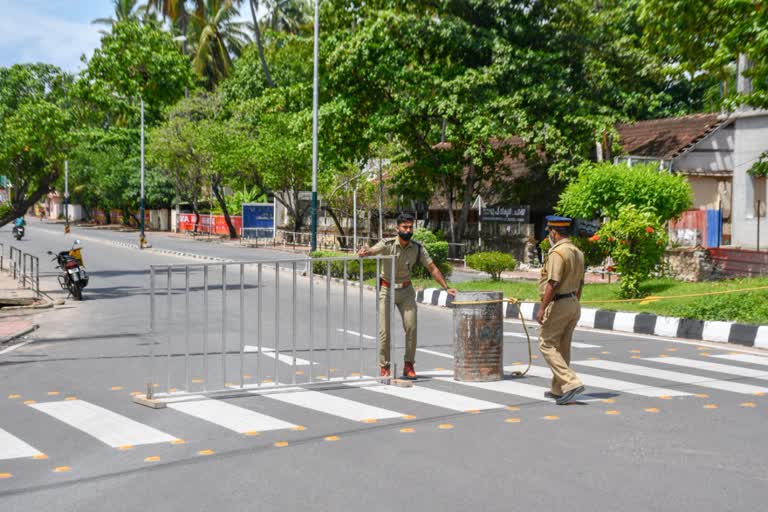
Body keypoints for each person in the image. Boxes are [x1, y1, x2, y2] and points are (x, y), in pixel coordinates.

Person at [359, 213, 457, 378]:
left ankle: (409, 365)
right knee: (385, 331)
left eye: (410, 227)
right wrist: (366, 251)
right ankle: (385, 366)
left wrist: (446, 287)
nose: (408, 230)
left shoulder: (417, 248)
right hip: (386, 290)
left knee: (411, 328)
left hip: (406, 291)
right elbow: (373, 251)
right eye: (405, 227)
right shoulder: (387, 244)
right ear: (397, 228)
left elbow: (432, 268)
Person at [536, 215, 586, 405]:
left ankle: (571, 382)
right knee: (562, 346)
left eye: (549, 232)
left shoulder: (558, 253)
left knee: (546, 343)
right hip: (573, 302)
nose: (549, 235)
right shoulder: (577, 252)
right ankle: (559, 389)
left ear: (554, 232)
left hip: (560, 302)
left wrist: (542, 308)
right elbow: (581, 283)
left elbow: (553, 282)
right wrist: (574, 302)